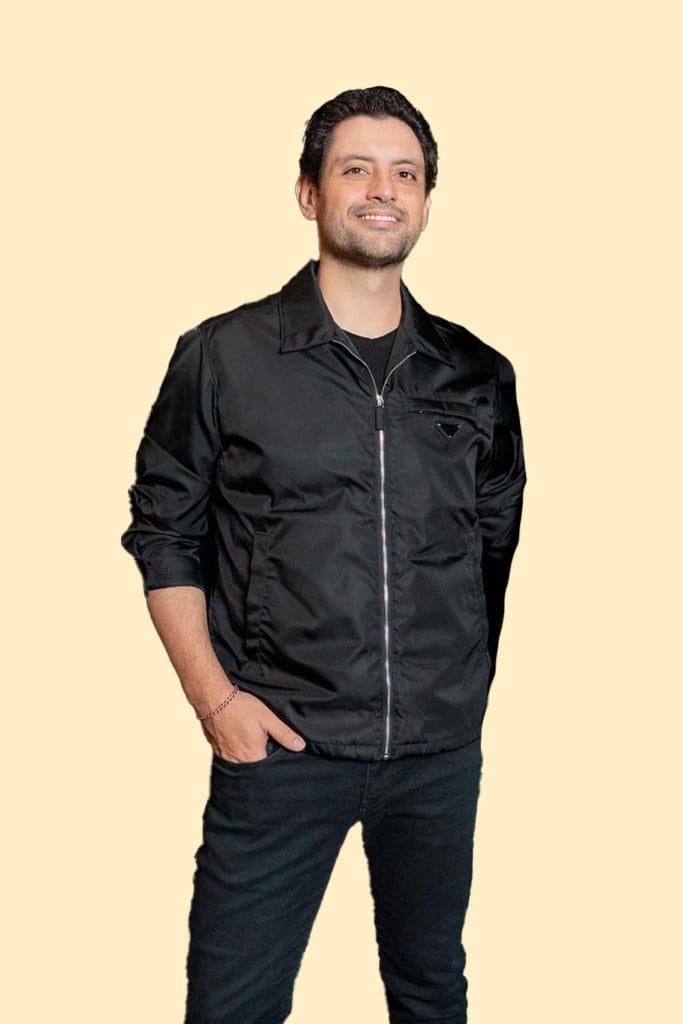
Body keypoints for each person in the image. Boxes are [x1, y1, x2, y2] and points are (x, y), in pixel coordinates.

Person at [121, 85, 527, 1024]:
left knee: (431, 993)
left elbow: (492, 546)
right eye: (356, 169)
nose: (383, 190)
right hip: (280, 745)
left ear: (425, 200)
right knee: (233, 1006)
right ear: (309, 192)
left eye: (405, 174)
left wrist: (457, 696)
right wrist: (217, 702)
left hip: (436, 755)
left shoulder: (477, 372)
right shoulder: (224, 356)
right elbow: (164, 532)